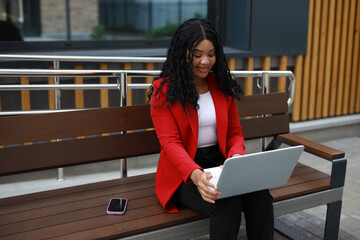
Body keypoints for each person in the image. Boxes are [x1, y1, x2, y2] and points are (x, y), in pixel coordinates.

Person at [148, 18, 274, 240]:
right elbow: (170, 143)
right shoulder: (163, 91)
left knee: (260, 194)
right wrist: (196, 175)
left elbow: (235, 132)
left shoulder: (221, 84)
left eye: (211, 54)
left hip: (221, 163)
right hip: (184, 173)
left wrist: (236, 157)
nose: (205, 61)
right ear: (182, 53)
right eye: (197, 55)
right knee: (225, 202)